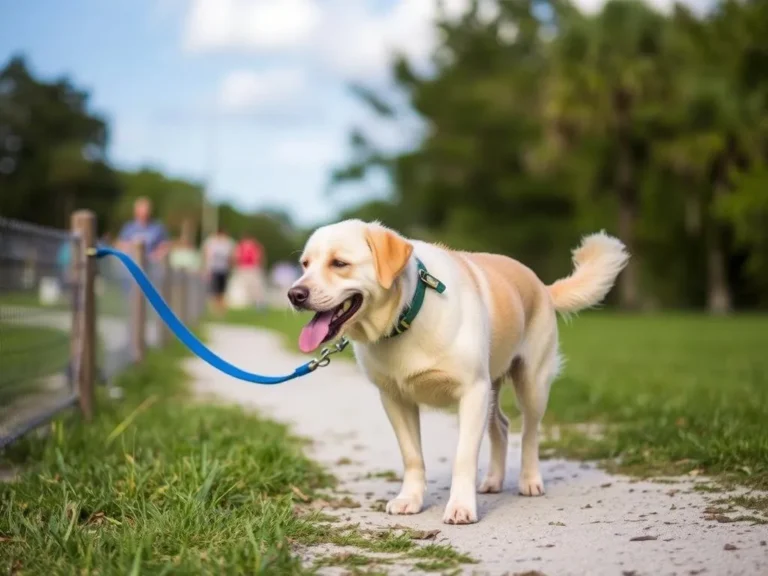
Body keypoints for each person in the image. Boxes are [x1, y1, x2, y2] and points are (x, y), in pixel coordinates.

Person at [202, 228, 236, 314]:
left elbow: (231, 256)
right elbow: (206, 254)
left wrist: (231, 266)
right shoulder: (211, 242)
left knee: (222, 290)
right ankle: (215, 309)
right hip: (214, 269)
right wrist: (206, 267)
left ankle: (221, 309)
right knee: (215, 290)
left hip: (224, 269)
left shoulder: (228, 243)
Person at [234, 234, 267, 309]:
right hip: (247, 268)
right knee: (251, 287)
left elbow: (237, 257)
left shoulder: (247, 246)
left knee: (255, 287)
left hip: (250, 268)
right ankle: (257, 303)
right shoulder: (245, 246)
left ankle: (260, 304)